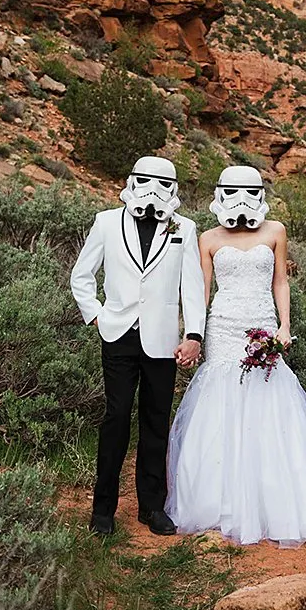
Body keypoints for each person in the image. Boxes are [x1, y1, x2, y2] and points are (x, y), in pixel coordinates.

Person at [165, 165, 306, 547]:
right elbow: (200, 291)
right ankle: (216, 503)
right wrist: (192, 332)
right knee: (220, 403)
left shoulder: (276, 231)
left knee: (270, 400)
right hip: (223, 329)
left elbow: (280, 281)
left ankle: (275, 504)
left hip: (262, 324)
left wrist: (284, 326)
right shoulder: (207, 238)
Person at [71, 156, 205, 536]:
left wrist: (193, 335)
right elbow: (81, 275)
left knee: (155, 423)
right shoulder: (106, 221)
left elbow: (192, 287)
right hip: (117, 335)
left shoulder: (185, 228)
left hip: (162, 339)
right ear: (132, 181)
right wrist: (95, 314)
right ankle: (103, 510)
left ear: (174, 188)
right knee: (115, 419)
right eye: (144, 180)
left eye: (162, 183)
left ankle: (152, 508)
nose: (152, 189)